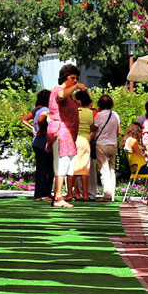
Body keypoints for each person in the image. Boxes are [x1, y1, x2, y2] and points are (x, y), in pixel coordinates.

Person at [47, 64, 84, 209]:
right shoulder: (58, 90)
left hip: (68, 135)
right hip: (61, 133)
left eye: (76, 79)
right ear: (65, 78)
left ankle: (60, 195)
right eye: (72, 78)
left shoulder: (68, 94)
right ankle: (58, 196)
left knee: (66, 165)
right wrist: (75, 87)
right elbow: (62, 96)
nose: (75, 81)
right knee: (61, 166)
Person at [23, 89, 54, 200]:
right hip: (45, 142)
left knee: (40, 168)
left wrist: (32, 128)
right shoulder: (46, 110)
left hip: (36, 142)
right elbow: (41, 120)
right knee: (48, 169)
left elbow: (24, 119)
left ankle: (38, 194)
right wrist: (41, 129)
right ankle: (45, 193)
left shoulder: (36, 110)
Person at [92, 94, 121, 201]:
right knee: (112, 170)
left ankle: (107, 195)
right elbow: (118, 132)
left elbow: (93, 128)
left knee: (104, 170)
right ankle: (112, 194)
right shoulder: (115, 115)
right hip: (113, 144)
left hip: (102, 144)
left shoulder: (99, 115)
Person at [70, 89, 95, 200]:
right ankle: (85, 194)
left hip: (73, 140)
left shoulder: (73, 111)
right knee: (85, 168)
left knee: (72, 167)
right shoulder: (90, 112)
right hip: (85, 140)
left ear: (78, 101)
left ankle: (70, 193)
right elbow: (93, 126)